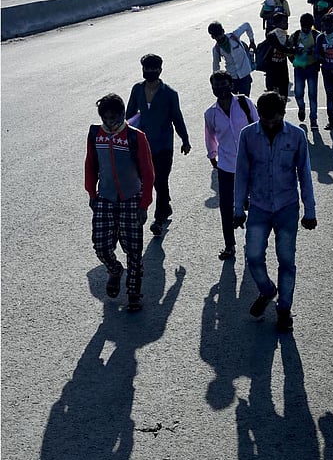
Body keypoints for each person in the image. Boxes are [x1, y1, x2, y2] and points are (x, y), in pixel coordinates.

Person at [233, 91, 317, 332]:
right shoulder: (248, 135)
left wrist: (309, 211)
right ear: (258, 114)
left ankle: (284, 309)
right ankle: (267, 290)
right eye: (265, 119)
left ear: (282, 114)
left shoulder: (297, 136)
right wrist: (238, 208)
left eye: (274, 119)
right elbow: (242, 174)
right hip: (258, 206)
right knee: (253, 257)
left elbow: (304, 174)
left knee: (287, 261)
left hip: (286, 207)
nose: (269, 124)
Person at [84, 93, 155, 312]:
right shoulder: (95, 134)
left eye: (114, 117)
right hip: (104, 197)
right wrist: (91, 195)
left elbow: (147, 172)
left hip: (131, 198)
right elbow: (90, 165)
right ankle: (115, 270)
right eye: (106, 118)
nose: (110, 122)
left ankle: (134, 292)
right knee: (101, 246)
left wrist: (144, 204)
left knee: (133, 250)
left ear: (123, 115)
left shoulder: (136, 137)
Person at [126, 54, 191, 236]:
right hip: (142, 146)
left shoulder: (169, 94)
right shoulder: (137, 90)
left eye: (153, 69)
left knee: (160, 181)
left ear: (160, 70)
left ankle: (159, 220)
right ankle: (166, 206)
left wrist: (185, 140)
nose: (149, 72)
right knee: (147, 181)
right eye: (146, 69)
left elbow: (177, 118)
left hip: (163, 145)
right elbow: (129, 115)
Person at [204, 71, 259, 260]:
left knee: (254, 204)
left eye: (223, 85)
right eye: (216, 86)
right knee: (226, 206)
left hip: (250, 164)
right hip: (226, 166)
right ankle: (229, 245)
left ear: (231, 84)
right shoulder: (210, 113)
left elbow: (258, 125)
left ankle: (253, 239)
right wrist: (213, 155)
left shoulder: (244, 104)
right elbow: (210, 136)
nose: (220, 89)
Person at [208, 20, 256, 96]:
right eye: (216, 36)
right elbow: (216, 65)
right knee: (233, 102)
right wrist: (216, 79)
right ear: (212, 37)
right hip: (232, 78)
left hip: (245, 74)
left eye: (220, 34)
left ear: (223, 31)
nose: (219, 38)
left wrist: (252, 41)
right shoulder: (216, 49)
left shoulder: (234, 36)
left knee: (245, 100)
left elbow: (247, 25)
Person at [289, 13, 320, 128]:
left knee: (313, 95)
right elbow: (288, 50)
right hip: (299, 69)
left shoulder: (317, 36)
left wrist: (315, 52)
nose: (305, 28)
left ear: (312, 25)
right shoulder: (296, 35)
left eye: (308, 26)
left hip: (312, 68)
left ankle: (313, 119)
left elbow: (322, 52)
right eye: (303, 26)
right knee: (298, 93)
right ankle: (301, 108)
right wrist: (294, 57)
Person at [265, 12, 291, 100]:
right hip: (272, 70)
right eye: (284, 22)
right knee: (272, 97)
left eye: (287, 21)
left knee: (284, 95)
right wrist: (294, 50)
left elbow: (289, 54)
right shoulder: (271, 35)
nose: (286, 24)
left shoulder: (286, 36)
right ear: (277, 23)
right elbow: (281, 48)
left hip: (283, 69)